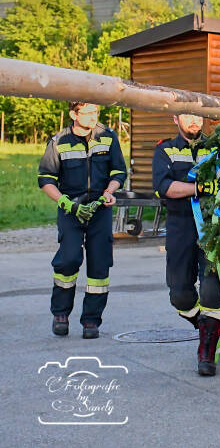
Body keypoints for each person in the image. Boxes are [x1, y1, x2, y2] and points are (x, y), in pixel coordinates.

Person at [38, 102, 126, 339]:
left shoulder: (108, 137)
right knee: (68, 260)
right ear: (73, 114)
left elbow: (119, 172)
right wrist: (66, 203)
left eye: (95, 112)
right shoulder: (58, 141)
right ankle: (60, 314)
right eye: (87, 112)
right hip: (70, 209)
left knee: (100, 265)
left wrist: (110, 191)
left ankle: (91, 321)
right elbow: (46, 179)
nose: (92, 117)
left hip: (100, 210)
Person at [152, 113, 220, 376]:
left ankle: (207, 351)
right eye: (187, 116)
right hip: (180, 224)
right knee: (179, 293)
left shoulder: (218, 147)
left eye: (197, 115)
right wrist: (200, 188)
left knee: (213, 290)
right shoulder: (165, 150)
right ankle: (204, 325)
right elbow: (165, 187)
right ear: (175, 118)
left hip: (213, 225)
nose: (194, 121)